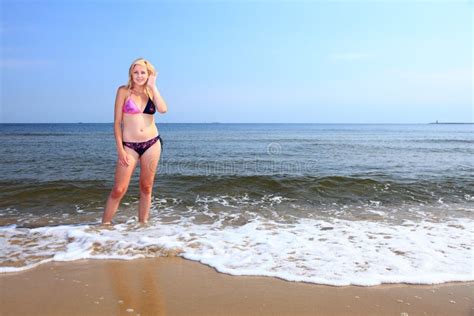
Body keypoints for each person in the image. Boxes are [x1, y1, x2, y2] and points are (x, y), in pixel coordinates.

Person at [102, 58, 168, 225]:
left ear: (149, 74)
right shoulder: (123, 91)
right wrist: (120, 149)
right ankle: (103, 226)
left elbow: (163, 109)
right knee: (119, 189)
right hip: (129, 146)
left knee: (146, 187)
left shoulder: (151, 91)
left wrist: (153, 86)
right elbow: (117, 123)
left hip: (152, 144)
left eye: (143, 72)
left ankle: (142, 225)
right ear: (131, 73)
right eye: (136, 72)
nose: (139, 76)